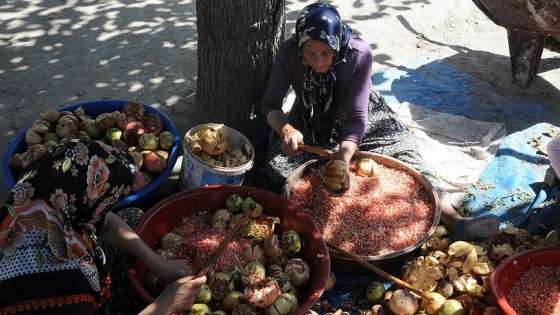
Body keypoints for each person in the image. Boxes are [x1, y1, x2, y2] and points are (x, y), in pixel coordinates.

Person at [261, 1, 499, 242]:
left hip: (364, 118)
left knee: (406, 153)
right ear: (299, 46)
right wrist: (286, 129)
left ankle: (453, 219)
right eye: (310, 53)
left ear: (338, 43)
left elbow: (356, 119)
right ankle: (322, 224)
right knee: (278, 167)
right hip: (311, 118)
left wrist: (343, 160)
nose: (319, 61)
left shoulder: (357, 53)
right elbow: (270, 106)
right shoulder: (288, 53)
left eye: (326, 52)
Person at [0, 139, 206, 315]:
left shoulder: (38, 200)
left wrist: (154, 261)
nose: (106, 209)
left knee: (132, 215)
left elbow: (104, 223)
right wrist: (165, 304)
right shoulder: (66, 287)